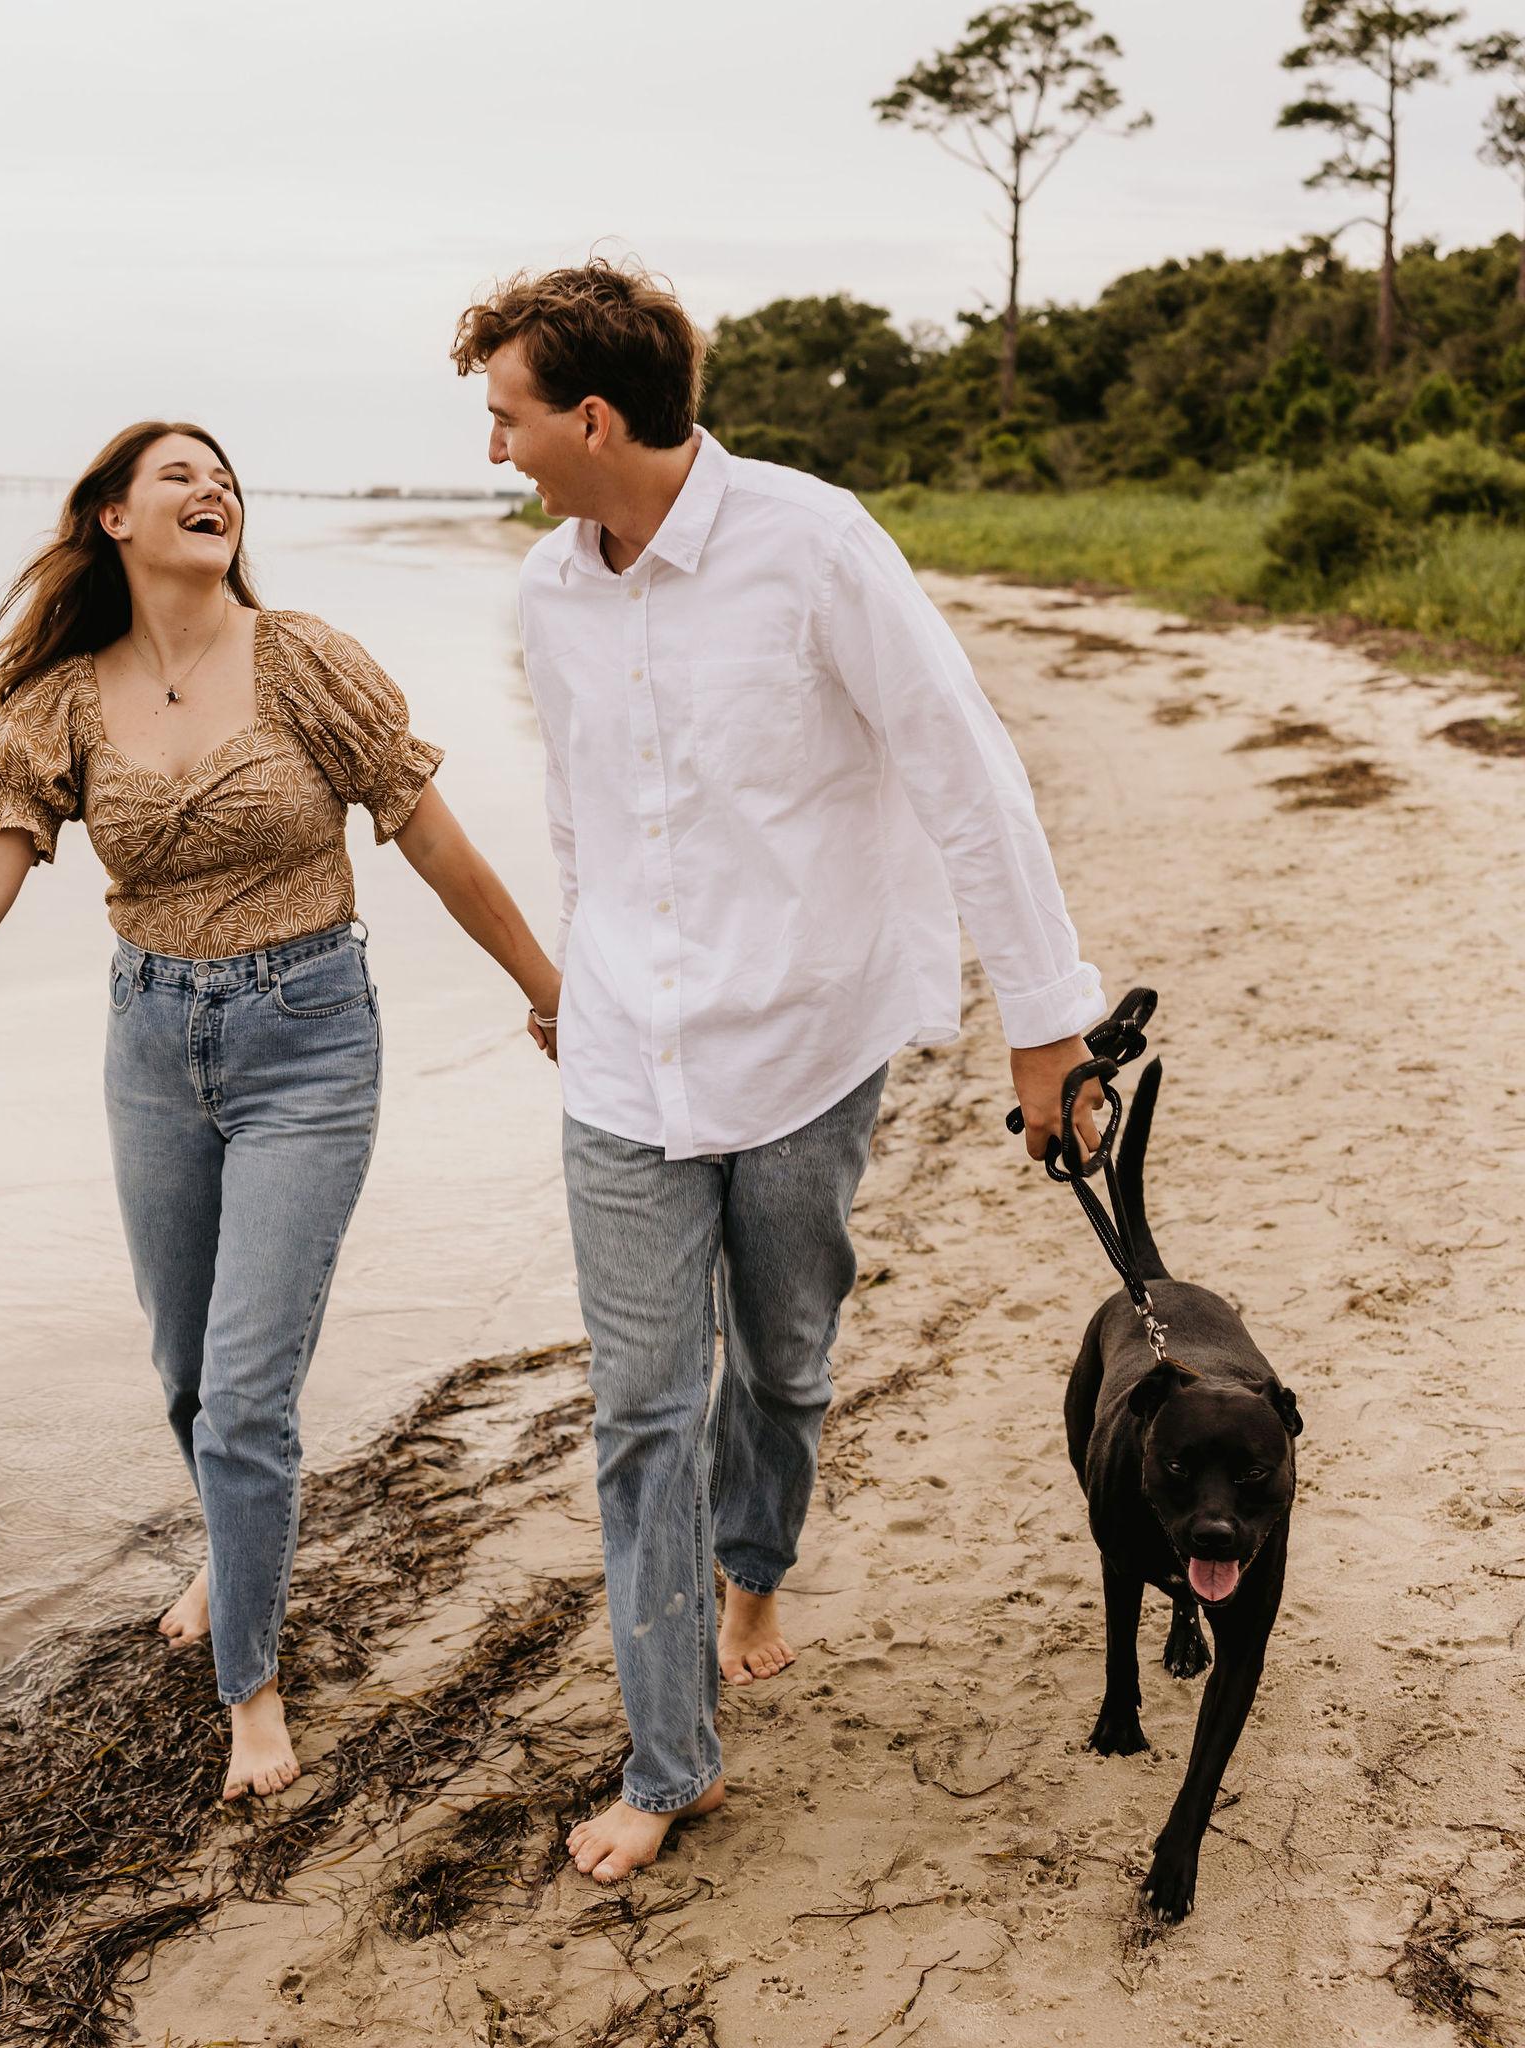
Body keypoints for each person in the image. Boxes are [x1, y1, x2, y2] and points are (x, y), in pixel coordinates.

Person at [0, 421, 562, 1800]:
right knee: (189, 1379)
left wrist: (550, 989)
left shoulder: (306, 658)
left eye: (222, 475)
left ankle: (252, 1690)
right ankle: (236, 1546)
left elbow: (427, 832)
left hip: (310, 1040)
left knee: (247, 1399)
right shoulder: (63, 697)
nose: (212, 489)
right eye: (175, 476)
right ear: (112, 522)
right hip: (150, 1042)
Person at [452, 261, 1109, 1883]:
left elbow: (971, 777)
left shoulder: (816, 546)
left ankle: (757, 1566)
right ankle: (671, 1761)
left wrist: (1048, 1023)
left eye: (508, 417)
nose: (494, 450)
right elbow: (582, 806)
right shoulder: (547, 588)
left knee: (790, 1362)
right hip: (623, 1052)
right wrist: (570, 970)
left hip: (808, 1040)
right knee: (640, 1412)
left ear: (590, 417)